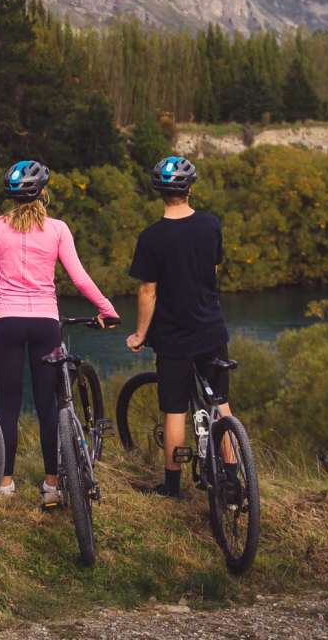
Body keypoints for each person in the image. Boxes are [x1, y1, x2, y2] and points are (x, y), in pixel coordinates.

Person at [0, 160, 118, 507]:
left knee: (9, 404)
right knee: (48, 406)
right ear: (43, 193)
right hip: (45, 322)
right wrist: (106, 308)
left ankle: (5, 480)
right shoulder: (58, 229)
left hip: (7, 320)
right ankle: (51, 484)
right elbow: (79, 278)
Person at [124, 155, 231, 498]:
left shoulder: (151, 237)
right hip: (211, 329)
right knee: (222, 403)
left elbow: (148, 291)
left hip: (173, 337)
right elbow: (213, 270)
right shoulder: (211, 224)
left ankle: (172, 486)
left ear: (158, 191)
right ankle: (231, 477)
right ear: (190, 187)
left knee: (174, 410)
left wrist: (140, 334)